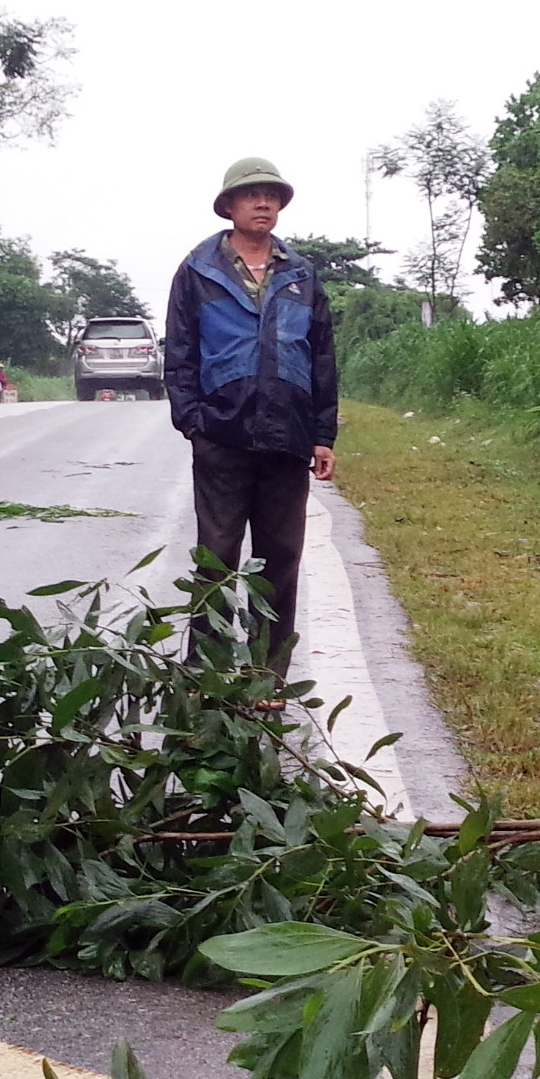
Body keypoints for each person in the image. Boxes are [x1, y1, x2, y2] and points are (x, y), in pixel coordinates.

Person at [164, 156, 337, 684]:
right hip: (222, 436)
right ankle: (206, 676)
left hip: (288, 439)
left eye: (272, 195)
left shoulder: (302, 275)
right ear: (229, 206)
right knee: (216, 559)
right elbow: (180, 352)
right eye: (251, 195)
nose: (263, 203)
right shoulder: (198, 271)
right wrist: (193, 420)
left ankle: (268, 676)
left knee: (280, 560)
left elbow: (323, 357)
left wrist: (323, 434)